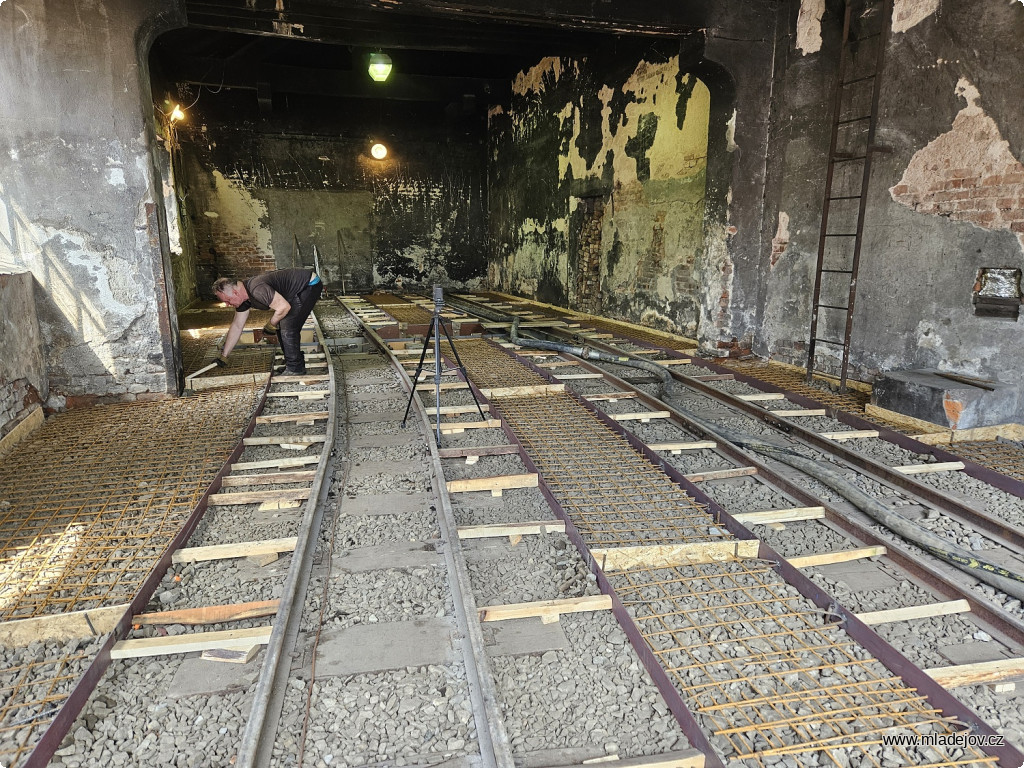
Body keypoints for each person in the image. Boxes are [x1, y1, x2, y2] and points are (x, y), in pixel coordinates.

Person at [212, 268, 322, 375]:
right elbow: (237, 326)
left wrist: (270, 325)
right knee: (281, 325)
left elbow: (284, 307)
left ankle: (295, 368)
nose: (227, 304)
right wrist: (224, 356)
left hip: (308, 285)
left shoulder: (256, 289)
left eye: (228, 300)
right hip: (294, 291)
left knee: (287, 326)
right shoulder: (243, 300)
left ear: (235, 293)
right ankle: (294, 364)